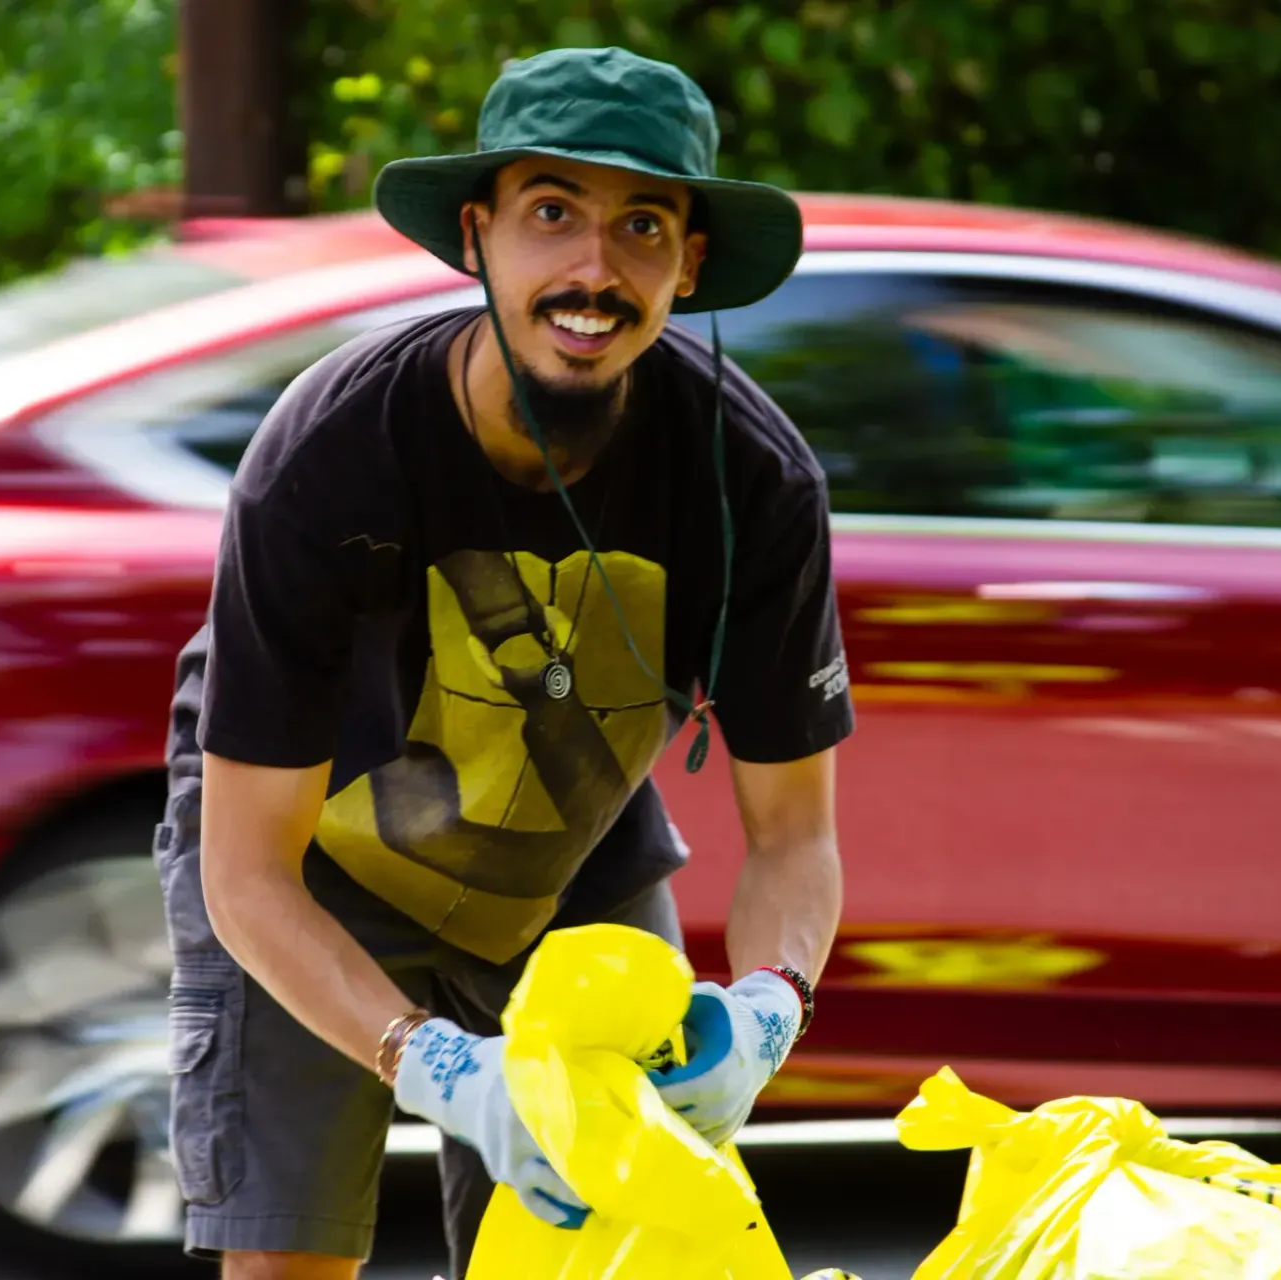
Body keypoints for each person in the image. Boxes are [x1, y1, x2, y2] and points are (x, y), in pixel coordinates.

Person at [154, 45, 854, 1280]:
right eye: (551, 215)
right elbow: (247, 869)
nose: (593, 268)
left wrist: (768, 1006)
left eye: (642, 224)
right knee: (287, 1264)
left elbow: (796, 835)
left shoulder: (753, 482)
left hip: (568, 863)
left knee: (606, 1253)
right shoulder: (328, 454)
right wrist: (435, 1064)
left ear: (689, 263)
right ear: (477, 238)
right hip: (313, 869)